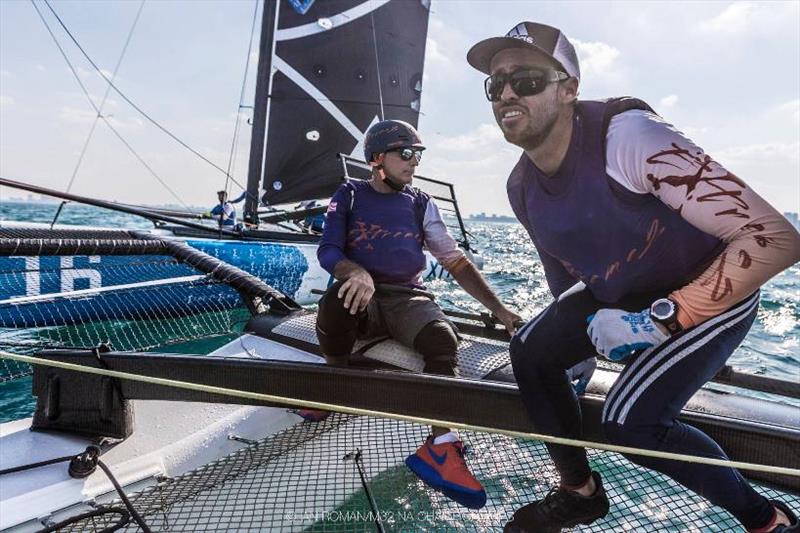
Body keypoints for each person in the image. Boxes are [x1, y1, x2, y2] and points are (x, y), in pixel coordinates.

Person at [466, 21, 800, 533]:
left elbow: (774, 238)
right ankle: (579, 493)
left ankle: (767, 519)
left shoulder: (629, 138)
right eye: (496, 85)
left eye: (527, 79)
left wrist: (658, 322)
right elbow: (563, 275)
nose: (507, 93)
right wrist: (575, 346)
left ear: (569, 88)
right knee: (530, 354)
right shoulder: (520, 186)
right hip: (628, 294)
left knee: (628, 424)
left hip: (711, 288)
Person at [312, 119, 522, 509]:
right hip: (363, 295)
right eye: (406, 154)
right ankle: (331, 383)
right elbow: (328, 249)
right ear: (378, 159)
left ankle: (440, 447)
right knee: (338, 298)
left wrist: (501, 309)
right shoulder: (350, 194)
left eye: (418, 154)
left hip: (407, 297)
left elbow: (455, 261)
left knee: (442, 340)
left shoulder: (421, 202)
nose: (414, 162)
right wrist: (354, 271)